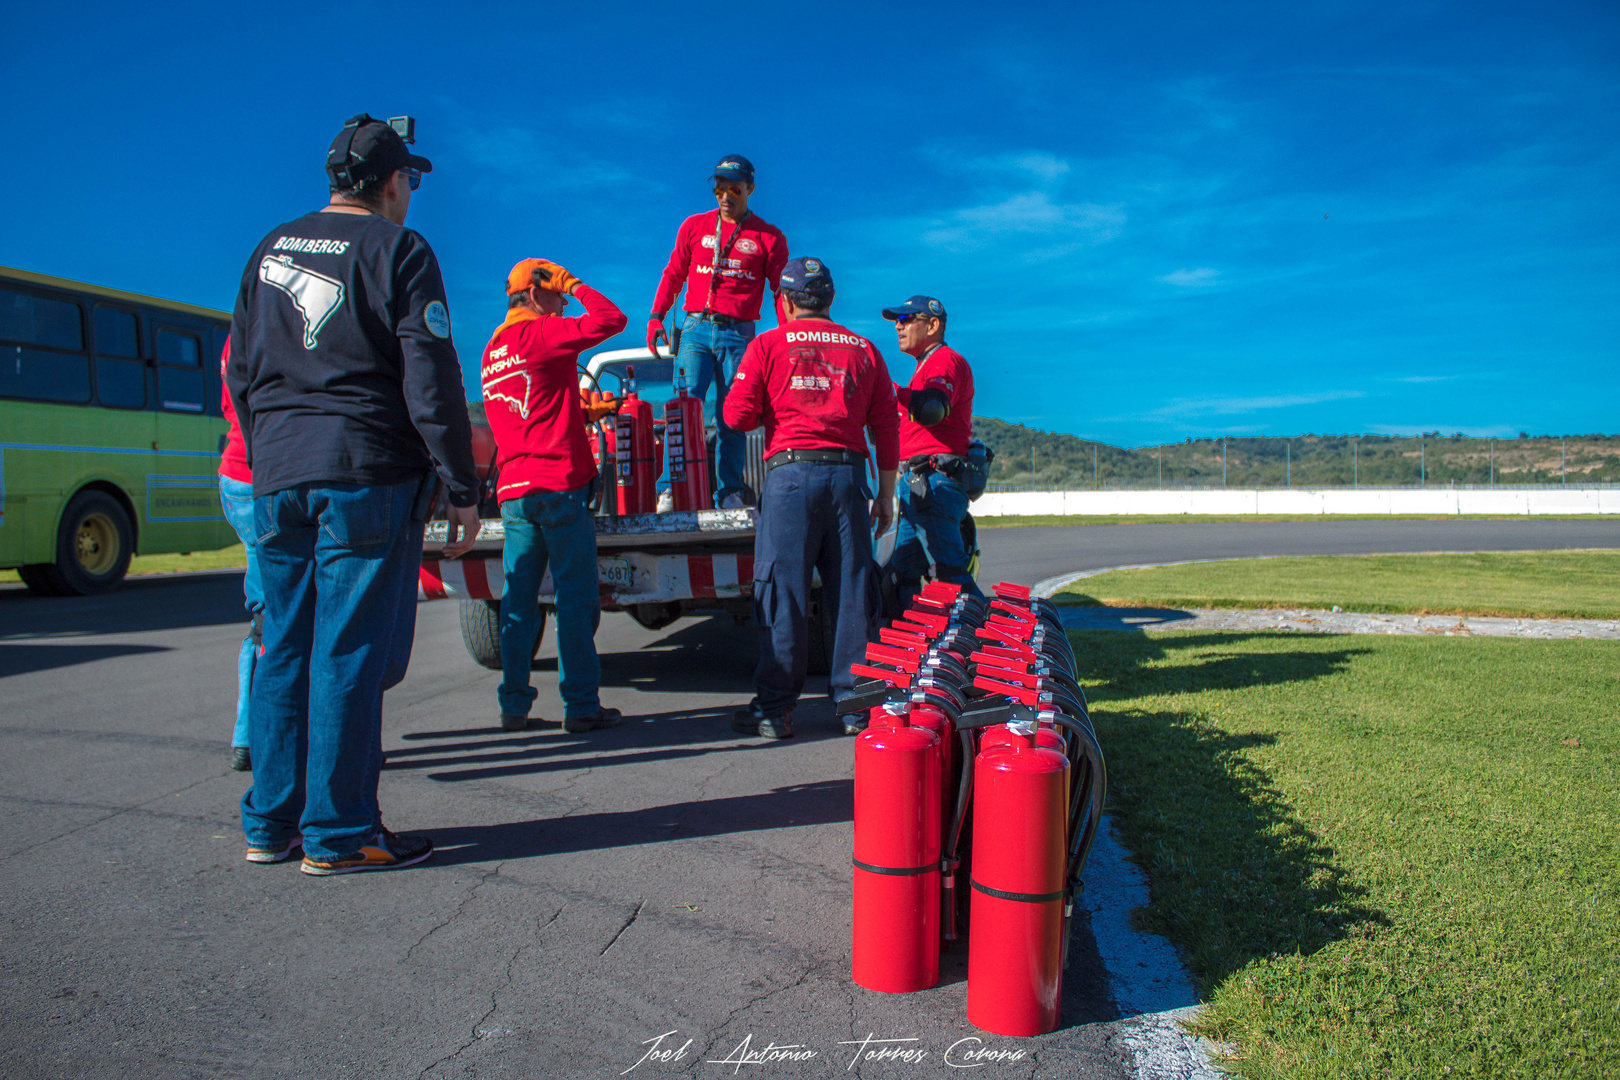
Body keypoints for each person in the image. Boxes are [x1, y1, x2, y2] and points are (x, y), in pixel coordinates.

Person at [226, 113, 481, 875]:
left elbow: (242, 370)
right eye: (412, 179)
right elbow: (430, 378)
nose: (412, 193)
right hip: (364, 471)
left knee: (282, 649)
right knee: (349, 654)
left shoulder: (270, 246)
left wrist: (271, 450)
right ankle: (340, 835)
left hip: (276, 474)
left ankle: (271, 826)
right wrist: (461, 484)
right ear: (394, 180)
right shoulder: (398, 249)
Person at [723, 257, 898, 739]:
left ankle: (776, 710)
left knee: (783, 592)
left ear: (783, 300)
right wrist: (885, 496)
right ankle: (856, 708)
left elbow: (736, 417)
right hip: (848, 477)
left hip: (790, 479)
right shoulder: (864, 348)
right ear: (831, 299)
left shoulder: (766, 344)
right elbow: (886, 425)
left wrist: (773, 409)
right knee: (852, 594)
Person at [480, 258, 628, 733]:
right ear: (534, 293)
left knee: (518, 602)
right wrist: (577, 282)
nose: (562, 303)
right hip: (559, 488)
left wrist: (586, 416)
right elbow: (612, 320)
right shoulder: (542, 334)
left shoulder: (492, 350)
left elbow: (532, 409)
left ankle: (514, 706)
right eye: (557, 293)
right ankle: (581, 705)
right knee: (575, 601)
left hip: (515, 493)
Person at [648, 155, 789, 508]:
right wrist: (656, 317)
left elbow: (780, 292)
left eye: (734, 189)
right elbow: (673, 274)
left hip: (739, 334)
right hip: (695, 327)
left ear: (750, 189)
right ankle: (669, 488)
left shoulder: (769, 237)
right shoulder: (694, 226)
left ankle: (729, 491)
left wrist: (788, 335)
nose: (725, 196)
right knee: (683, 407)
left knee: (734, 413)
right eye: (719, 188)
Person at [882, 295, 982, 608]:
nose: (899, 326)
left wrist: (890, 391)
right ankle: (912, 649)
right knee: (901, 574)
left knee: (950, 574)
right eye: (897, 320)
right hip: (918, 483)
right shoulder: (925, 365)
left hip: (933, 483)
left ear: (933, 324)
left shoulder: (943, 361)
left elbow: (932, 409)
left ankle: (997, 643)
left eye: (907, 319)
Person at [216, 339, 259, 773]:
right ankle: (254, 733)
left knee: (264, 609)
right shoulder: (279, 321)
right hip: (266, 475)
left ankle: (247, 733)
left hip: (235, 474)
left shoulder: (235, 333)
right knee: (278, 615)